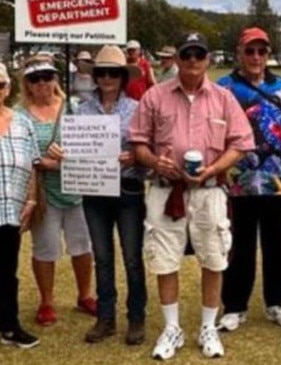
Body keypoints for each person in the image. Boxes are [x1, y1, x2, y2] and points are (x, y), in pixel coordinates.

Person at [129, 32, 254, 360]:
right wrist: (156, 162)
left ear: (208, 59)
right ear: (178, 58)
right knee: (164, 260)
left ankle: (208, 326)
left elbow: (241, 143)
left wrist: (213, 169)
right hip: (165, 191)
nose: (193, 60)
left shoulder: (223, 98)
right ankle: (172, 329)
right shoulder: (155, 96)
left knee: (213, 258)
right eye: (187, 54)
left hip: (209, 192)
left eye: (199, 54)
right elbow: (138, 143)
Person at [216, 27, 281, 332]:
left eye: (261, 51)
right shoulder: (223, 87)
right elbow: (216, 132)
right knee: (239, 245)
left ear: (268, 54)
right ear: (239, 52)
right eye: (249, 51)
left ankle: (277, 302)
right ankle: (235, 305)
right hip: (237, 181)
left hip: (276, 180)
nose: (255, 57)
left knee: (277, 244)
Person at [15, 55, 97, 327]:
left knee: (82, 246)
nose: (42, 84)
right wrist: (42, 161)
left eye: (47, 77)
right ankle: (47, 301)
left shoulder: (74, 107)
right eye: (35, 79)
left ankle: (85, 295)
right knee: (45, 248)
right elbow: (18, 150)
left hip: (78, 189)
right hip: (44, 193)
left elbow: (91, 142)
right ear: (27, 84)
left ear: (56, 79)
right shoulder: (20, 114)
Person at [77, 45, 147, 345]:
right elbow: (78, 149)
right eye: (101, 73)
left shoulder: (136, 108)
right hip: (94, 192)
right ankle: (105, 317)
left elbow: (146, 148)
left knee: (132, 258)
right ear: (95, 77)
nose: (107, 78)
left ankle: (136, 317)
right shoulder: (82, 109)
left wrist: (134, 158)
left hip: (128, 189)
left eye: (113, 73)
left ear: (122, 76)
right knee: (103, 258)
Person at [0, 62, 40, 349]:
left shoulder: (23, 122)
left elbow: (33, 166)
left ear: (8, 88)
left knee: (7, 272)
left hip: (11, 211)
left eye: (0, 84)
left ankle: (9, 327)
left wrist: (32, 199)